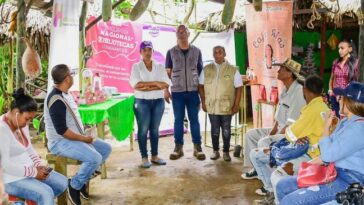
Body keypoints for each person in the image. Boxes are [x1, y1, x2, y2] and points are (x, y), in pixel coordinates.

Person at [277, 81, 364, 205]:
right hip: (334, 172)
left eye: (341, 98)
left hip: (348, 181)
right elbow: (327, 155)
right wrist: (306, 166)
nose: (338, 100)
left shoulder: (358, 128)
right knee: (283, 186)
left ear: (349, 103)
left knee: (290, 201)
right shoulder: (346, 122)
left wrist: (325, 128)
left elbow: (328, 155)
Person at [44, 64, 112, 205]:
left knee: (106, 148)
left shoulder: (65, 93)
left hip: (72, 138)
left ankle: (82, 181)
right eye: (71, 74)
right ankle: (74, 185)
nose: (73, 76)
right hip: (59, 142)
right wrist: (85, 139)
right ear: (67, 78)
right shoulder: (56, 100)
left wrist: (84, 134)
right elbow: (62, 131)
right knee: (95, 158)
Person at [242, 58, 306, 184]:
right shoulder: (285, 89)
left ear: (289, 74)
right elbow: (278, 120)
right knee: (251, 135)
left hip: (289, 134)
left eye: (281, 69)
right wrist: (271, 133)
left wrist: (273, 138)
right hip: (280, 129)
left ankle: (268, 179)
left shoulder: (298, 91)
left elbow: (290, 125)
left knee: (263, 142)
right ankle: (256, 169)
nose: (278, 71)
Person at [0, 88, 67, 205]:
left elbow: (29, 149)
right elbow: (5, 166)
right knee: (46, 193)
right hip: (9, 178)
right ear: (16, 113)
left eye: (30, 119)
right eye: (27, 119)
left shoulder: (21, 123)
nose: (28, 123)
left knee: (62, 182)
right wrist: (33, 172)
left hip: (28, 170)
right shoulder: (2, 130)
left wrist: (38, 165)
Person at [165, 24, 206, 160]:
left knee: (194, 120)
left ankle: (197, 147)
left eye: (184, 31)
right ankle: (178, 148)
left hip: (193, 91)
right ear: (176, 34)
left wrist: (202, 94)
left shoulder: (197, 51)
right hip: (177, 92)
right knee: (178, 120)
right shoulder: (171, 52)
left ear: (188, 34)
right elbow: (167, 73)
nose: (181, 34)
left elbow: (201, 74)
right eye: (179, 32)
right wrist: (166, 89)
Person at [130, 41, 171, 168]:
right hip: (142, 102)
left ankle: (155, 156)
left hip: (158, 102)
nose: (147, 52)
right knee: (143, 130)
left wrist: (148, 85)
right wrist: (156, 84)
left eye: (150, 50)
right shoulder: (136, 67)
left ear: (153, 51)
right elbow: (136, 86)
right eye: (145, 50)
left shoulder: (159, 66)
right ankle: (144, 157)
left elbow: (165, 84)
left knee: (154, 130)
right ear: (140, 52)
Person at [198, 46, 242, 161]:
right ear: (213, 54)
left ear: (224, 54)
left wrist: (236, 104)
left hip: (226, 106)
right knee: (215, 129)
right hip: (211, 105)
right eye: (215, 52)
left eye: (220, 52)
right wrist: (203, 101)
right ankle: (215, 151)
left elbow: (239, 88)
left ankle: (226, 152)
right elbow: (200, 86)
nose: (217, 54)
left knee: (226, 130)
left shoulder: (233, 70)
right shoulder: (207, 69)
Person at [328, 39, 359, 117]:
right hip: (335, 97)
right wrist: (330, 91)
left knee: (345, 120)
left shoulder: (356, 63)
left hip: (347, 99)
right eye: (339, 48)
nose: (339, 51)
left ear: (350, 49)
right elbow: (332, 78)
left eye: (342, 48)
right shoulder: (335, 62)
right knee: (336, 120)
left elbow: (357, 81)